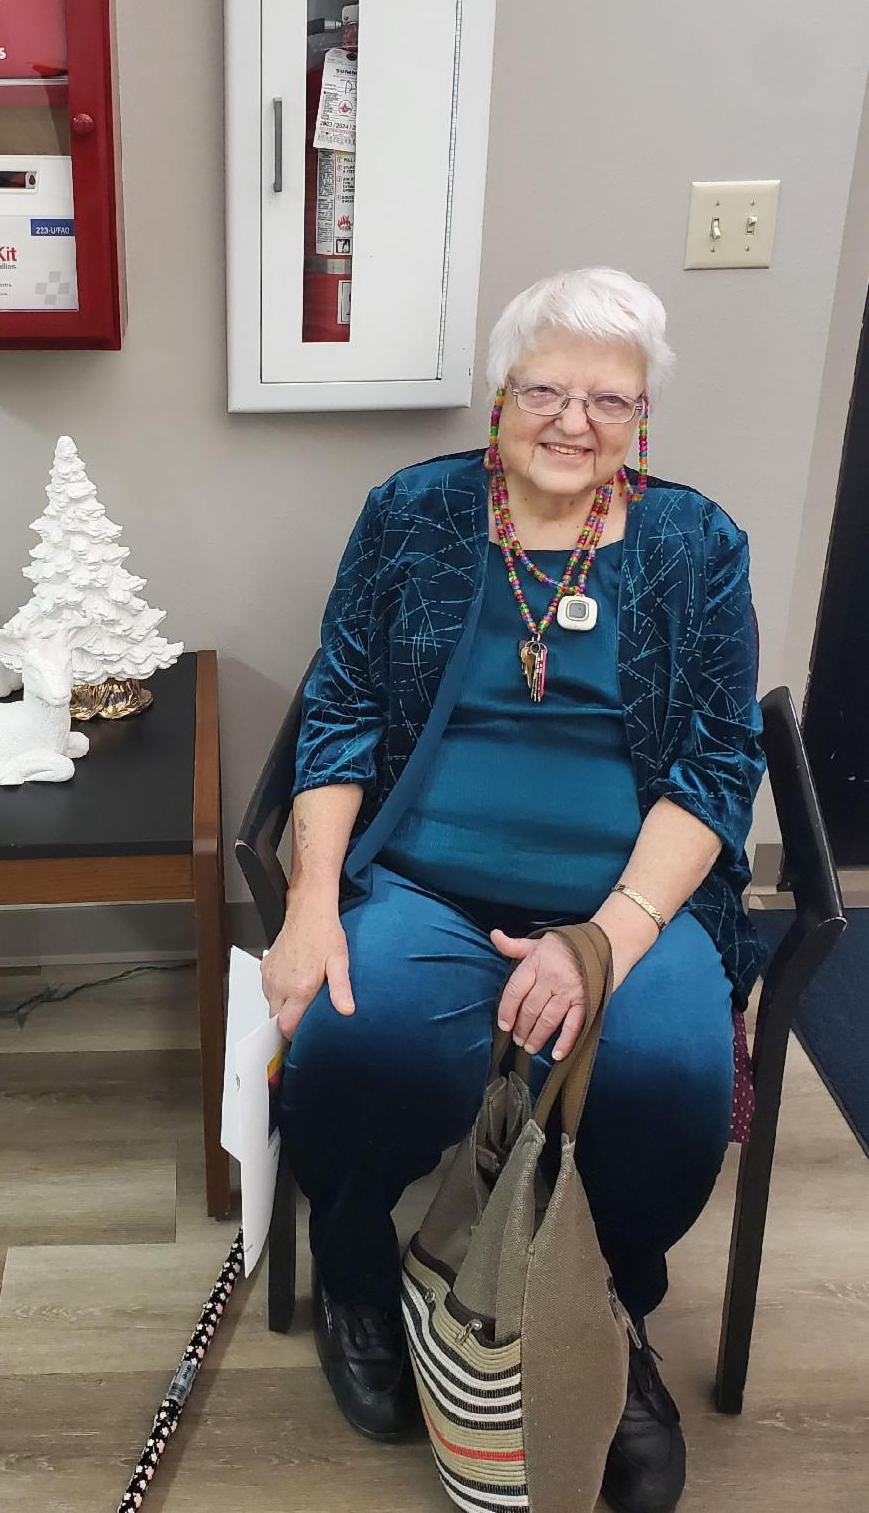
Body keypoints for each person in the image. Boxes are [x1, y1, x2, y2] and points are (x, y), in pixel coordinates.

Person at [264, 267, 765, 1513]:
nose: (573, 422)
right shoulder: (412, 513)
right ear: (500, 396)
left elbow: (718, 764)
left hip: (629, 901)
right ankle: (358, 1266)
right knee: (360, 1036)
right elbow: (340, 708)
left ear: (641, 417)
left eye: (610, 399)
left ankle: (609, 1306)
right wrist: (312, 904)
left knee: (671, 1076)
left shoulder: (697, 545)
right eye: (545, 389)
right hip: (425, 880)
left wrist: (603, 938)